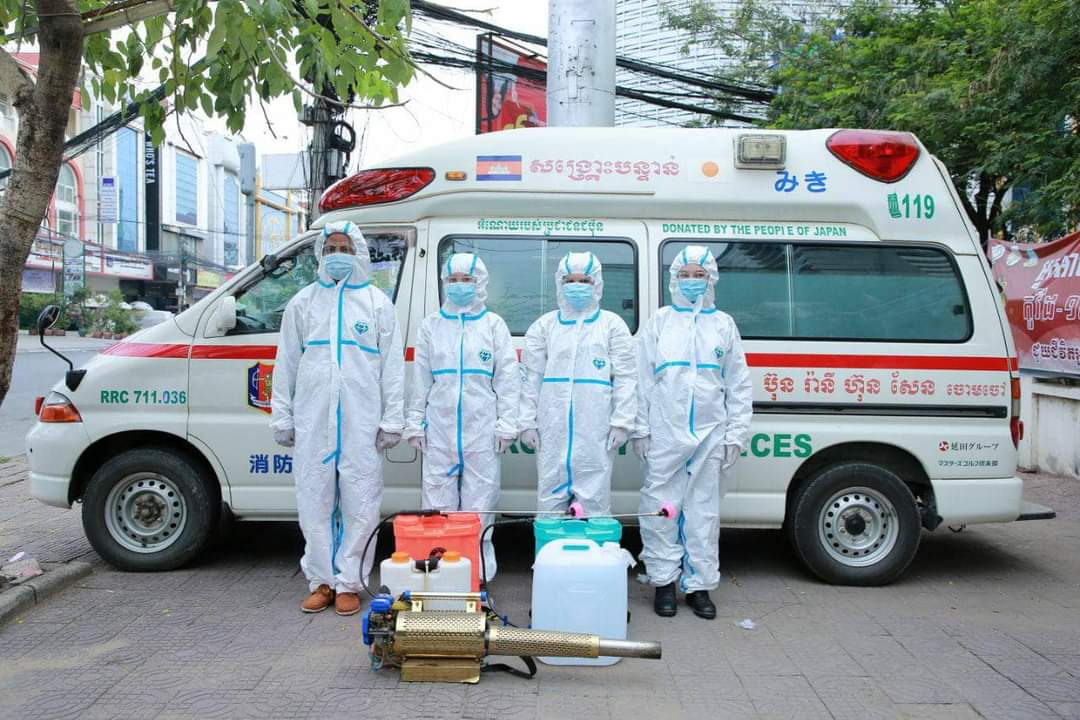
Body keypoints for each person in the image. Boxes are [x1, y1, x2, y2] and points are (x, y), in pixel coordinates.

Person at [270, 222, 405, 616]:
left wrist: (392, 418)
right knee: (314, 499)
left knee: (361, 501)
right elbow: (286, 364)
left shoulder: (377, 304)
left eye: (345, 248)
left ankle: (350, 582)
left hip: (361, 420)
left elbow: (393, 367)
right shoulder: (303, 303)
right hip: (314, 420)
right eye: (331, 248)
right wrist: (283, 416)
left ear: (358, 252)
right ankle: (321, 581)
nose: (338, 255)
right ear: (320, 254)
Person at [634, 245, 752, 620]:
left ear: (711, 279)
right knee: (660, 508)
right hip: (665, 431)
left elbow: (738, 383)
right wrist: (641, 429)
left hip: (711, 432)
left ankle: (699, 586)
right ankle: (663, 583)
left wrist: (736, 434)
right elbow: (641, 380)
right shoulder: (660, 322)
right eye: (684, 274)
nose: (691, 281)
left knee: (703, 512)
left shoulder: (724, 325)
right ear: (674, 279)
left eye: (698, 275)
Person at [404, 253, 519, 580]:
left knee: (479, 508)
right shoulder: (431, 325)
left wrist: (507, 422)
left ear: (479, 283)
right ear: (444, 283)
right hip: (439, 430)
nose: (459, 286)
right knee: (437, 507)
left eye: (466, 280)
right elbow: (420, 380)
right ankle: (439, 575)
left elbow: (508, 379)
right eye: (453, 280)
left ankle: (475, 576)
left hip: (481, 430)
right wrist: (415, 422)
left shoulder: (493, 325)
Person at [520, 251, 636, 516]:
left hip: (595, 433)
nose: (577, 286)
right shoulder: (544, 326)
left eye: (584, 281)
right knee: (549, 505)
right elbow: (531, 378)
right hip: (552, 432)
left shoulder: (612, 325)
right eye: (570, 280)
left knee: (594, 506)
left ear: (597, 284)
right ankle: (550, 544)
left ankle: (594, 544)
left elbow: (626, 377)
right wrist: (526, 422)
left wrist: (622, 421)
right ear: (559, 283)